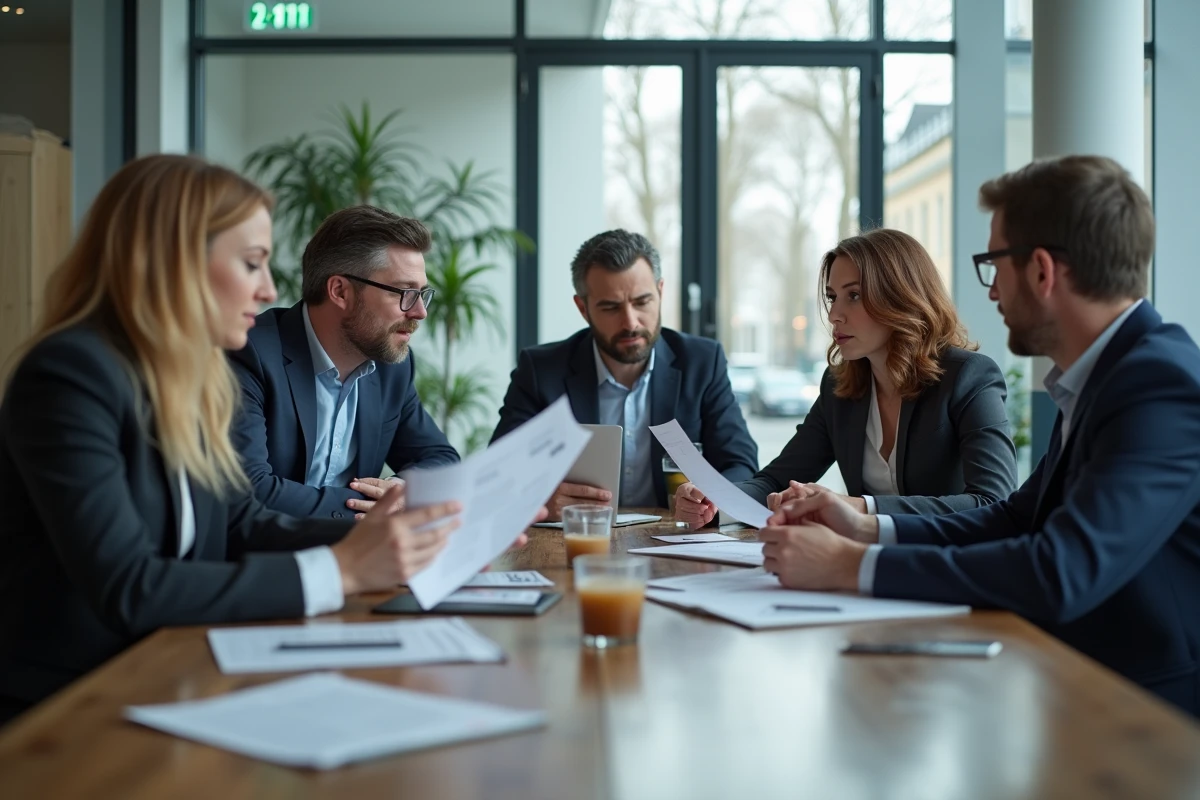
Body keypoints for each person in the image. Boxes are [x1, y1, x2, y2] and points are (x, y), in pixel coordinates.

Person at [0, 156, 463, 725]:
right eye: (251, 263)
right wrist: (341, 570)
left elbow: (238, 520)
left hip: (174, 670)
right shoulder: (71, 375)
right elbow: (129, 585)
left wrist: (392, 539)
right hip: (74, 704)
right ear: (174, 263)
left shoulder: (185, 376)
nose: (268, 287)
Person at [760, 155, 1200, 717]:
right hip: (1072, 679)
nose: (990, 290)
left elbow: (1059, 570)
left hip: (1144, 710)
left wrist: (848, 565)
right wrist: (867, 527)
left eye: (994, 264)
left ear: (1041, 271)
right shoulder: (1105, 374)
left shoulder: (1156, 384)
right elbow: (1018, 517)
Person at [675, 228, 1017, 529]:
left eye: (853, 295)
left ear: (900, 296)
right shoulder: (839, 386)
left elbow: (992, 502)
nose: (835, 315)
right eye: (832, 297)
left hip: (950, 570)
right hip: (857, 570)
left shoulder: (969, 376)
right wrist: (717, 501)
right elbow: (774, 480)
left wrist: (861, 507)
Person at [492, 229, 758, 518]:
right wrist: (540, 500)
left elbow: (741, 463)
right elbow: (500, 472)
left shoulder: (702, 362)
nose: (630, 322)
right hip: (580, 540)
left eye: (642, 302)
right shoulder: (541, 370)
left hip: (677, 539)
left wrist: (710, 499)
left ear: (660, 292)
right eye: (610, 307)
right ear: (583, 308)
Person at [228, 205, 459, 521]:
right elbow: (251, 490)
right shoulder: (250, 353)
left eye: (422, 294)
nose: (420, 312)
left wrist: (401, 491)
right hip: (274, 560)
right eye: (405, 293)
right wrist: (371, 511)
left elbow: (441, 459)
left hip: (366, 557)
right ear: (340, 291)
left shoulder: (393, 366)